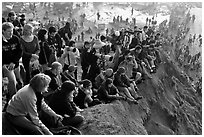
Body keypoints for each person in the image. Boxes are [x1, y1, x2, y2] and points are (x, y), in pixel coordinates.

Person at [2, 22, 23, 111]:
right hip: (5, 65)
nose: (11, 33)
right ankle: (12, 100)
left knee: (20, 80)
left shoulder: (15, 38)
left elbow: (20, 51)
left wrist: (14, 62)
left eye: (12, 31)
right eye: (9, 32)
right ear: (3, 31)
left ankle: (21, 97)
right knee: (12, 81)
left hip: (15, 63)